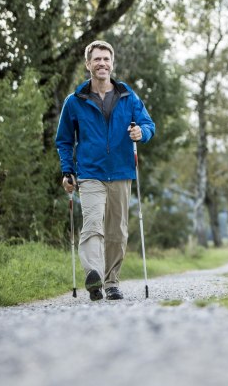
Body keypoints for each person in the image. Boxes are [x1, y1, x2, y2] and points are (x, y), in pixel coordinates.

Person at [55, 40, 155, 301]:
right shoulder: (74, 101)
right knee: (92, 223)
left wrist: (140, 132)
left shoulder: (127, 96)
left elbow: (149, 125)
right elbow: (64, 140)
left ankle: (111, 282)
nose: (102, 63)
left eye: (106, 59)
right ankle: (94, 275)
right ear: (88, 64)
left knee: (117, 230)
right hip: (90, 173)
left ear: (112, 63)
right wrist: (68, 171)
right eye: (97, 59)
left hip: (121, 172)